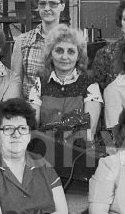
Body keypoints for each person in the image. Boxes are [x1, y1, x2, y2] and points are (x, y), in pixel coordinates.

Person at [0, 98, 70, 214]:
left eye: (22, 128)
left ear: (29, 136)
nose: (16, 135)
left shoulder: (42, 163)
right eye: (8, 129)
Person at [29, 25, 102, 173]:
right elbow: (32, 125)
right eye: (59, 50)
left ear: (78, 56)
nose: (64, 57)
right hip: (44, 157)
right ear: (50, 54)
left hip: (79, 157)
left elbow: (89, 130)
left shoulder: (90, 83)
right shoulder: (40, 83)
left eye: (71, 51)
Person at [9, 0, 68, 99]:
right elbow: (15, 81)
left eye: (53, 4)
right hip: (29, 111)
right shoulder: (23, 41)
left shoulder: (73, 42)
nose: (47, 8)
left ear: (62, 6)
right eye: (42, 3)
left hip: (61, 111)